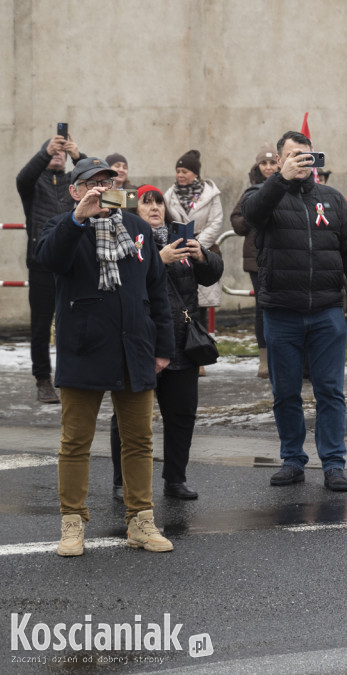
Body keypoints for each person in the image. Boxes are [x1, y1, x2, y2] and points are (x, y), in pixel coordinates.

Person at [35, 157, 175, 556]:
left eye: (108, 181)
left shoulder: (136, 229)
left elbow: (156, 291)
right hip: (84, 349)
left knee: (139, 440)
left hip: (135, 349)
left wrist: (163, 347)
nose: (103, 188)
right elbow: (49, 260)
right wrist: (78, 218)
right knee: (75, 442)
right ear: (75, 190)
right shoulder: (62, 227)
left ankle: (141, 521)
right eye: (93, 182)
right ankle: (72, 523)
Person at [242, 131, 347, 492]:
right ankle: (292, 460)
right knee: (285, 392)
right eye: (291, 155)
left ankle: (333, 463)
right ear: (280, 159)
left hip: (327, 312)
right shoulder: (263, 194)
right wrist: (280, 179)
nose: (299, 161)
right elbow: (251, 216)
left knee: (330, 391)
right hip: (281, 312)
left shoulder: (331, 199)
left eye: (305, 155)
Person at [110, 185, 224, 500]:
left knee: (182, 413)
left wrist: (202, 254)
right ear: (135, 210)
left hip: (181, 341)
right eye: (146, 202)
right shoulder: (124, 237)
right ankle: (123, 482)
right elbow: (124, 280)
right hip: (141, 343)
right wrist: (158, 260)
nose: (154, 207)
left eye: (158, 201)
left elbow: (212, 274)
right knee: (128, 417)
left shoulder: (179, 235)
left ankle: (175, 479)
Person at [16, 132, 87, 404]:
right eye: (52, 151)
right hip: (42, 263)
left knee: (78, 319)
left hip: (74, 262)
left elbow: (94, 180)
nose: (58, 153)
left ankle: (75, 374)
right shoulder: (34, 184)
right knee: (41, 325)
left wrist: (78, 155)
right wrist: (46, 152)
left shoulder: (73, 182)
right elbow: (22, 178)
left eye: (62, 151)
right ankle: (43, 380)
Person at [230, 144, 280, 378]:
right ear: (258, 166)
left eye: (272, 163)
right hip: (257, 259)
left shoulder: (287, 185)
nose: (268, 167)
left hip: (283, 256)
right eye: (264, 163)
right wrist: (254, 214)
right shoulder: (252, 191)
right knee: (263, 308)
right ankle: (265, 360)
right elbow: (237, 221)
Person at [164, 150, 223, 349]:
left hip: (201, 252)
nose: (180, 175)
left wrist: (196, 245)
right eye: (178, 171)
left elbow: (216, 221)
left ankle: (200, 350)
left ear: (195, 174)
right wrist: (180, 243)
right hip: (176, 251)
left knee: (201, 306)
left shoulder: (210, 194)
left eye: (185, 171)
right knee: (181, 301)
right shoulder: (169, 195)